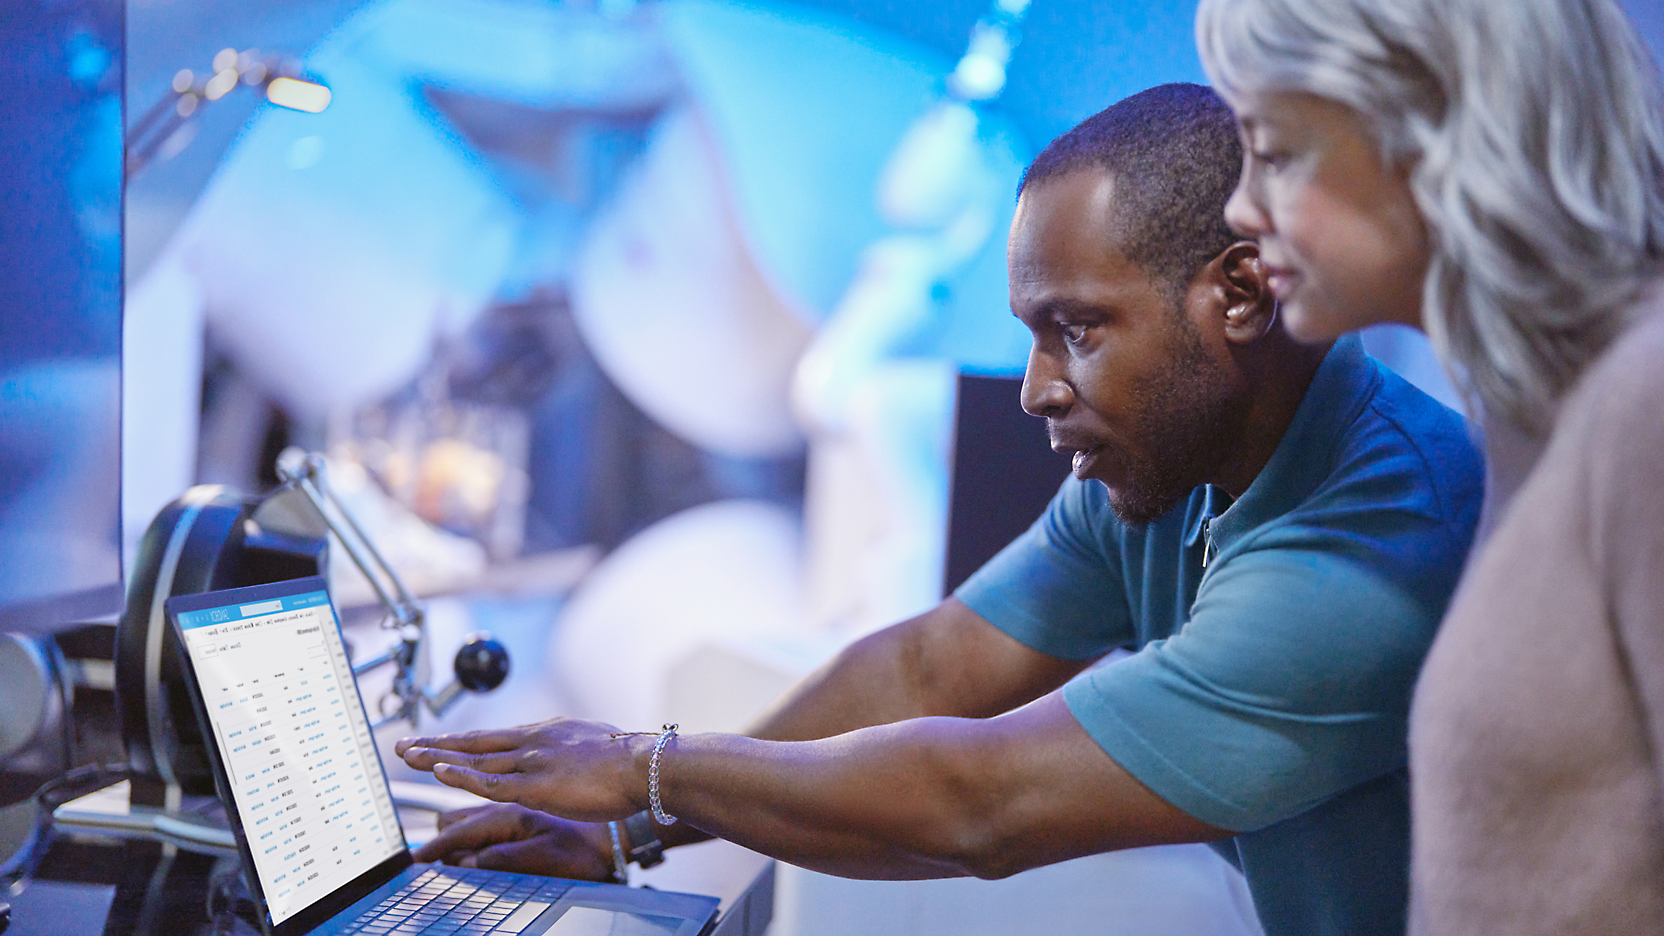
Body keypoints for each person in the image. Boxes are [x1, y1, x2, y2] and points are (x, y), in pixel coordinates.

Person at [394, 83, 1483, 936]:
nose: (1033, 388)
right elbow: (933, 667)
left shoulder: (1371, 549)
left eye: (1077, 328)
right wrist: (629, 826)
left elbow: (984, 807)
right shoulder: (1167, 466)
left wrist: (644, 767)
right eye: (1029, 330)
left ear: (1238, 295)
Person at [1195, 0, 1664, 932]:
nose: (1241, 208)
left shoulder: (1642, 401)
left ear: (1436, 128)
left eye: (1278, 153)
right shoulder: (1537, 419)